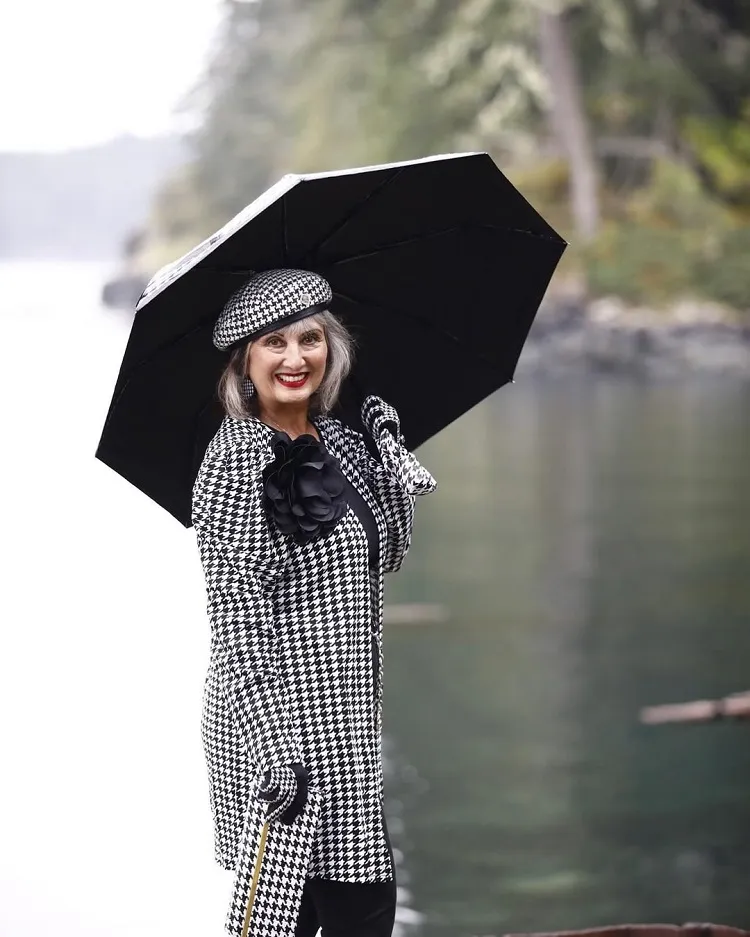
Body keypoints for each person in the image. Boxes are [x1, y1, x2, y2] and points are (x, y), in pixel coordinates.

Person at [191, 269, 437, 936]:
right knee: (282, 924)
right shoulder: (231, 466)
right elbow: (237, 631)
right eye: (274, 342)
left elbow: (381, 558)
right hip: (277, 733)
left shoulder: (346, 441)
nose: (296, 357)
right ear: (245, 361)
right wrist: (276, 754)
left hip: (347, 729)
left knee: (366, 911)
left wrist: (388, 452)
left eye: (310, 338)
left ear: (333, 347)